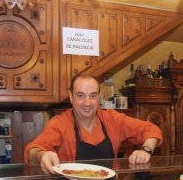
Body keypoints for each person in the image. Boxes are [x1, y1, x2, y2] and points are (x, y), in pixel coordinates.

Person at [24, 74, 163, 174]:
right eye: (80, 95)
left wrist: (146, 150)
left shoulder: (113, 119)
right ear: (71, 97)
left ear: (99, 97)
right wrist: (41, 156)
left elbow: (151, 129)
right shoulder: (60, 123)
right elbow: (32, 150)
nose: (87, 103)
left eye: (92, 95)